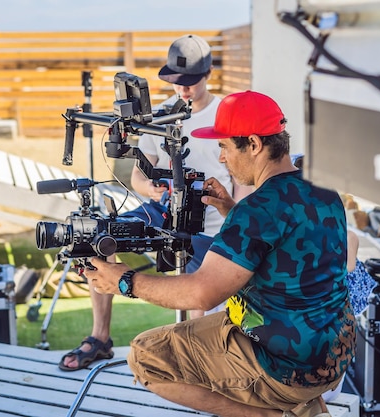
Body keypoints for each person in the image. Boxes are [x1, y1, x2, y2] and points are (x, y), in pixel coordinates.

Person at [86, 90, 356, 417]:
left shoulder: (257, 210)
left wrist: (124, 281)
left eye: (225, 147)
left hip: (283, 364)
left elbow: (202, 292)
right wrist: (231, 210)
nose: (223, 158)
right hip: (334, 354)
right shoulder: (323, 190)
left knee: (146, 356)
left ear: (254, 144)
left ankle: (271, 414)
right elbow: (285, 246)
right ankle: (303, 406)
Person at [59, 34, 251, 371]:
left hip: (213, 224)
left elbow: (243, 184)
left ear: (207, 74)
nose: (184, 90)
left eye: (190, 82)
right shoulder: (160, 115)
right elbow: (138, 176)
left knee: (199, 290)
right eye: (177, 83)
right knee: (96, 235)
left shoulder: (226, 114)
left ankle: (197, 360)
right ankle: (100, 337)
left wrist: (234, 223)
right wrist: (150, 189)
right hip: (163, 210)